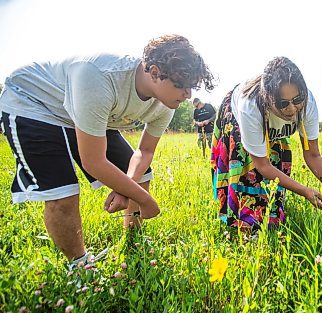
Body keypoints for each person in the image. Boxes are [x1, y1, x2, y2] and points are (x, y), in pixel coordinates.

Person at [0, 34, 214, 266]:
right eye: (181, 86)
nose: (188, 95)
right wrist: (145, 200)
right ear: (153, 73)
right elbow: (94, 161)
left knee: (142, 174)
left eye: (191, 87)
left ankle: (133, 243)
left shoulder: (166, 104)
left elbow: (145, 152)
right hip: (36, 104)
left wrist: (127, 189)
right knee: (63, 192)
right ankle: (80, 265)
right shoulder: (100, 77)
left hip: (85, 113)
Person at [211, 57, 322, 230]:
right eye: (283, 103)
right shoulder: (250, 107)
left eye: (297, 99)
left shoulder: (307, 103)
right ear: (269, 99)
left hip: (271, 127)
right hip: (236, 115)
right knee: (247, 172)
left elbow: (312, 154)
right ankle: (245, 224)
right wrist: (304, 191)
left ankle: (271, 215)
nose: (292, 109)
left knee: (277, 161)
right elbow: (262, 165)